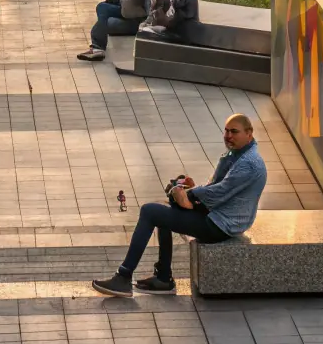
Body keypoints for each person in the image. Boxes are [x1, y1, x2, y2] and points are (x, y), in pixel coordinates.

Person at [92, 113, 267, 297]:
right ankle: (163, 278)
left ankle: (124, 277)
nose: (228, 135)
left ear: (249, 133)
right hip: (218, 216)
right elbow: (217, 188)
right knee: (163, 208)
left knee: (150, 211)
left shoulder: (248, 164)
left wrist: (188, 195)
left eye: (234, 132)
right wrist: (190, 189)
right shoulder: (238, 154)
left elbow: (220, 192)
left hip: (220, 225)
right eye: (226, 131)